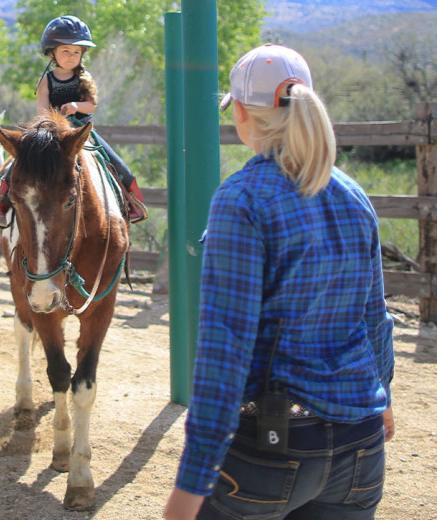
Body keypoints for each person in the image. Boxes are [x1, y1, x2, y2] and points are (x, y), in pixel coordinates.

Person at [163, 44, 395, 520]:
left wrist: (192, 481)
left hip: (271, 449)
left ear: (243, 113)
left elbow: (225, 347)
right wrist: (383, 398)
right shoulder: (353, 194)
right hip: (362, 445)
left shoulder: (242, 199)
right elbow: (376, 317)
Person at [0, 15, 147, 227]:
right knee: (21, 162)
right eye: (66, 51)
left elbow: (91, 105)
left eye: (76, 52)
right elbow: (42, 109)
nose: (72, 56)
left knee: (114, 160)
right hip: (53, 131)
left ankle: (133, 201)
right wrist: (51, 123)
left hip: (80, 130)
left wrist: (76, 106)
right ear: (52, 53)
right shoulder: (47, 80)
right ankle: (2, 202)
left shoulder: (83, 77)